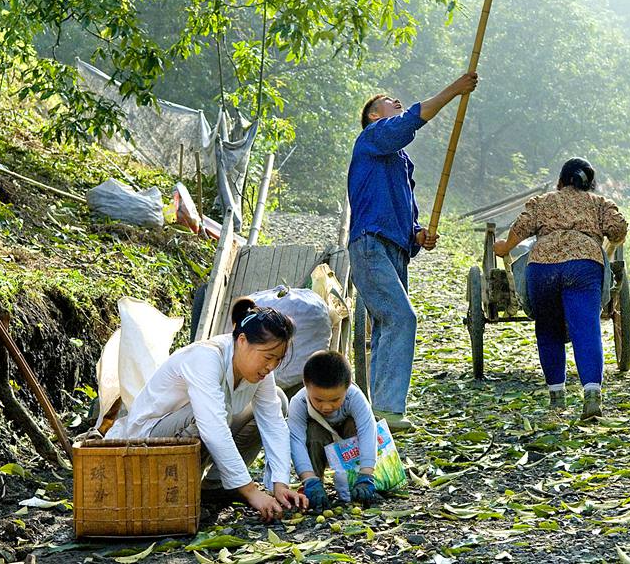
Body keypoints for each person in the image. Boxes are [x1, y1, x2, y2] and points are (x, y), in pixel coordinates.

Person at [348, 72, 479, 431]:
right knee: (401, 318)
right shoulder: (373, 137)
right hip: (370, 243)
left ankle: (378, 412)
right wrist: (455, 89)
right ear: (375, 115)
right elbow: (411, 121)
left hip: (393, 248)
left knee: (388, 324)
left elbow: (407, 215)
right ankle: (387, 410)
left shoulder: (400, 163)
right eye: (389, 102)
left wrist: (418, 234)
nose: (397, 103)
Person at [106, 299, 308, 521]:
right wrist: (251, 492)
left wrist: (280, 483)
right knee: (204, 415)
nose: (271, 367)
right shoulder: (206, 357)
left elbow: (273, 422)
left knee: (278, 399)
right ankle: (178, 495)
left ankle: (214, 487)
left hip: (189, 436)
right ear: (242, 341)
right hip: (147, 443)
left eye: (277, 360)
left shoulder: (260, 373)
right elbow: (213, 428)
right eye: (267, 357)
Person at [493, 158, 628, 420]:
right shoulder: (599, 204)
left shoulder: (543, 201)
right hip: (583, 264)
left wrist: (505, 247)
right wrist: (611, 238)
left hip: (543, 266)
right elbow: (618, 229)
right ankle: (591, 396)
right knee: (586, 328)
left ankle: (557, 398)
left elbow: (520, 228)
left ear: (560, 180)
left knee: (548, 330)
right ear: (589, 184)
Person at [288, 350, 378, 513]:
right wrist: (308, 478)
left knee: (353, 425)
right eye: (318, 400)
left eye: (335, 400)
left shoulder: (354, 396)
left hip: (348, 445)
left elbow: (367, 430)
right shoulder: (298, 402)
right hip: (320, 445)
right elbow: (296, 441)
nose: (326, 407)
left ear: (348, 386)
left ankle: (356, 483)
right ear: (305, 385)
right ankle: (315, 486)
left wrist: (367, 473)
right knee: (313, 431)